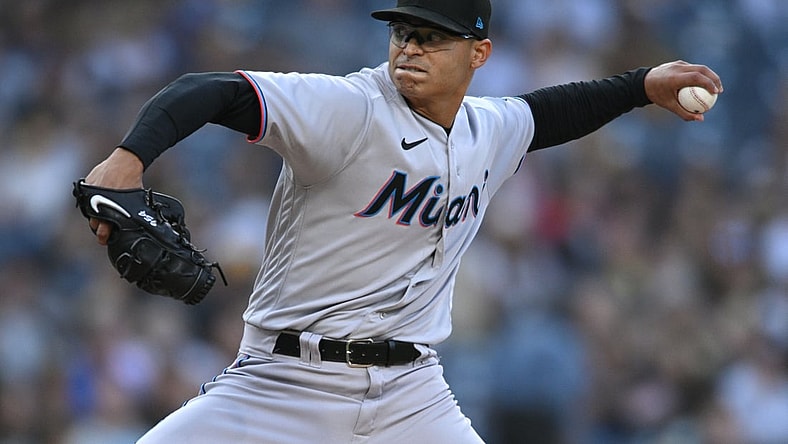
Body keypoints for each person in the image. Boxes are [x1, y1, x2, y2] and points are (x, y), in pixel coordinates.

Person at [81, 0, 723, 442]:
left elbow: (553, 113)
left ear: (479, 52)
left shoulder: (487, 130)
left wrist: (643, 84)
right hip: (283, 380)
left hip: (411, 393)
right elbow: (215, 89)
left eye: (431, 36)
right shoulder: (350, 109)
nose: (409, 47)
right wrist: (127, 159)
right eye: (402, 32)